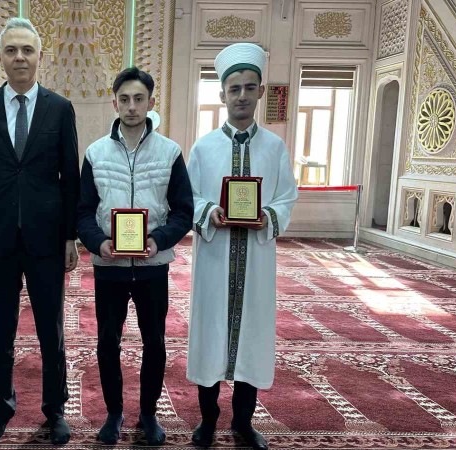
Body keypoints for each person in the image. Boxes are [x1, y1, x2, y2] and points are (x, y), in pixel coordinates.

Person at [0, 17, 80, 445]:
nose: (19, 57)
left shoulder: (59, 108)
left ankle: (55, 410)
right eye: (11, 50)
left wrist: (69, 236)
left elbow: (70, 176)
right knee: (1, 331)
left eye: (27, 50)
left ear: (39, 57)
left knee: (52, 331)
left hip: (46, 239)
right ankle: (3, 407)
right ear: (0, 57)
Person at [186, 43, 298, 450]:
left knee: (251, 338)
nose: (242, 96)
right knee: (210, 337)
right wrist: (208, 210)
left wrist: (267, 215)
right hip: (214, 260)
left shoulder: (274, 147)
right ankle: (207, 421)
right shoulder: (203, 148)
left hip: (256, 263)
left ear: (261, 92)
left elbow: (287, 196)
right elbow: (187, 197)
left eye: (250, 88)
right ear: (222, 94)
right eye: (234, 89)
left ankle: (243, 423)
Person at [77, 67, 193, 445]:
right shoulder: (96, 153)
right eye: (124, 99)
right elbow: (83, 211)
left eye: (138, 99)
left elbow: (183, 211)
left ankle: (148, 413)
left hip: (152, 266)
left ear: (150, 102)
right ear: (114, 103)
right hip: (109, 266)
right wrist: (98, 243)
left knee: (154, 342)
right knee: (107, 342)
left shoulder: (169, 152)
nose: (131, 106)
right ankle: (114, 414)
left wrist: (158, 241)